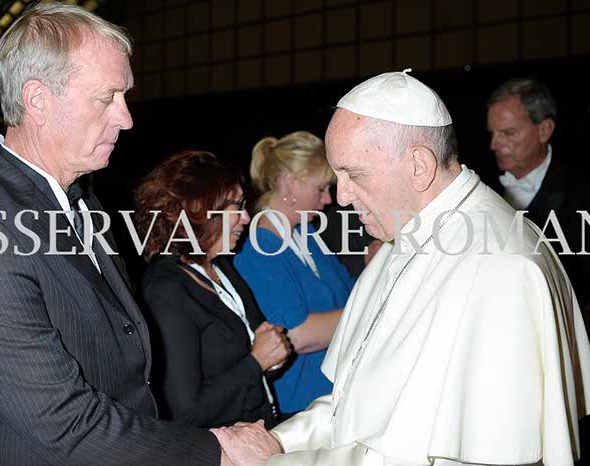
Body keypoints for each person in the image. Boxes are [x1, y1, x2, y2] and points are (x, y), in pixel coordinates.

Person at [213, 70, 590, 466]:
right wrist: (279, 444)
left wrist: (273, 463)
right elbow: (353, 405)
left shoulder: (501, 268)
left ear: (419, 166)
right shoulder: (406, 235)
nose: (341, 198)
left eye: (354, 175)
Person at [0, 3, 226, 465]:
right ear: (38, 100)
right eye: (106, 98)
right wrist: (216, 450)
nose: (126, 118)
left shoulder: (80, 200)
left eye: (124, 97)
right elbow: (65, 425)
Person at [135, 151, 291, 429]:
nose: (246, 217)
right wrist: (257, 362)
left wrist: (272, 357)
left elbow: (256, 355)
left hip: (260, 435)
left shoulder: (222, 268)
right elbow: (185, 412)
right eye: (237, 206)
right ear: (201, 209)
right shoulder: (165, 289)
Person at [235, 131, 354, 416]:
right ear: (290, 183)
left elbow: (351, 292)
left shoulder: (306, 234)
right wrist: (372, 307)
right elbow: (298, 335)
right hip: (301, 410)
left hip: (338, 398)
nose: (328, 199)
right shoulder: (259, 250)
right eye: (321, 189)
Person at [487, 78, 590, 311]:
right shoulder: (481, 183)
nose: (494, 144)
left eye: (508, 132)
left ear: (544, 130)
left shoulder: (582, 191)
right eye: (493, 133)